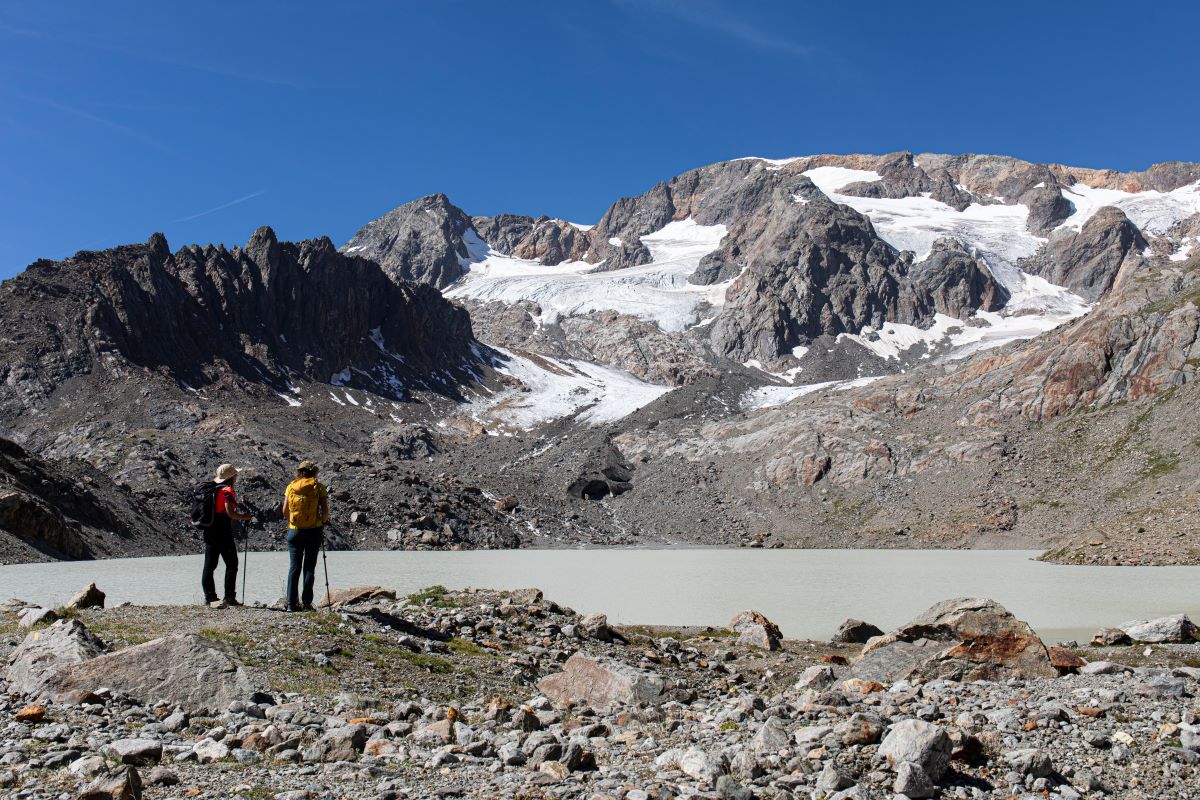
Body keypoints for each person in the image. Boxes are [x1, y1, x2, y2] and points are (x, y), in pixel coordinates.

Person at [201, 463, 253, 607]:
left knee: (209, 565)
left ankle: (209, 597)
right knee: (232, 564)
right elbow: (230, 513)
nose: (237, 476)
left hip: (209, 529)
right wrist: (245, 517)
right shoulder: (227, 490)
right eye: (235, 474)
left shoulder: (211, 489)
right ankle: (229, 597)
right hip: (223, 531)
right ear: (232, 476)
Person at [282, 460, 330, 611]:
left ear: (300, 471)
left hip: (294, 531)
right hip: (313, 531)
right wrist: (322, 522)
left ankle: (291, 604)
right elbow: (325, 512)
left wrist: (294, 522)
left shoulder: (291, 486)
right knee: (309, 568)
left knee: (294, 567)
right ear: (314, 472)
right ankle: (307, 604)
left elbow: (284, 510)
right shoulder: (319, 487)